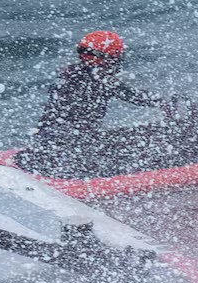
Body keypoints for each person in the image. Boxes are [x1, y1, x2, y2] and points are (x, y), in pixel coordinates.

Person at [22, 31, 175, 175]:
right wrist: (162, 102)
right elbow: (132, 95)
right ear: (110, 59)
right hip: (73, 145)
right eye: (117, 57)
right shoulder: (101, 79)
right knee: (139, 153)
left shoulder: (71, 74)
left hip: (47, 139)